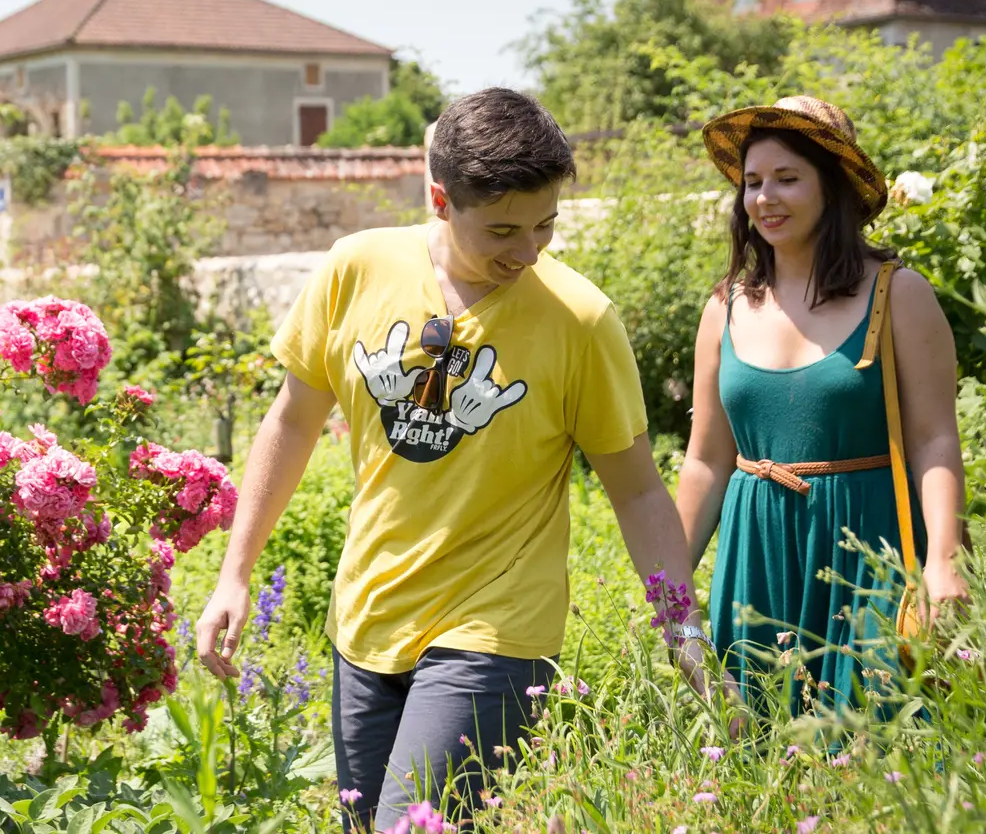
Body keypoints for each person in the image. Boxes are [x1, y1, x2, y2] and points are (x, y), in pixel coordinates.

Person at [195, 88, 713, 830]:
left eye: (545, 225)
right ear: (440, 199)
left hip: (497, 629)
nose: (529, 251)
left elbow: (636, 491)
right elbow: (293, 420)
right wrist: (234, 575)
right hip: (367, 616)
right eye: (504, 229)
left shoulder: (581, 320)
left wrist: (680, 626)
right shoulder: (355, 270)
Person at [675, 95, 969, 713]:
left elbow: (935, 438)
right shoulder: (724, 307)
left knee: (880, 745)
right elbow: (705, 461)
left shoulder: (899, 295)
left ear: (832, 187)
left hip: (866, 548)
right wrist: (670, 595)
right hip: (754, 554)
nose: (764, 198)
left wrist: (944, 563)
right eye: (752, 182)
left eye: (787, 178)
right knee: (758, 757)